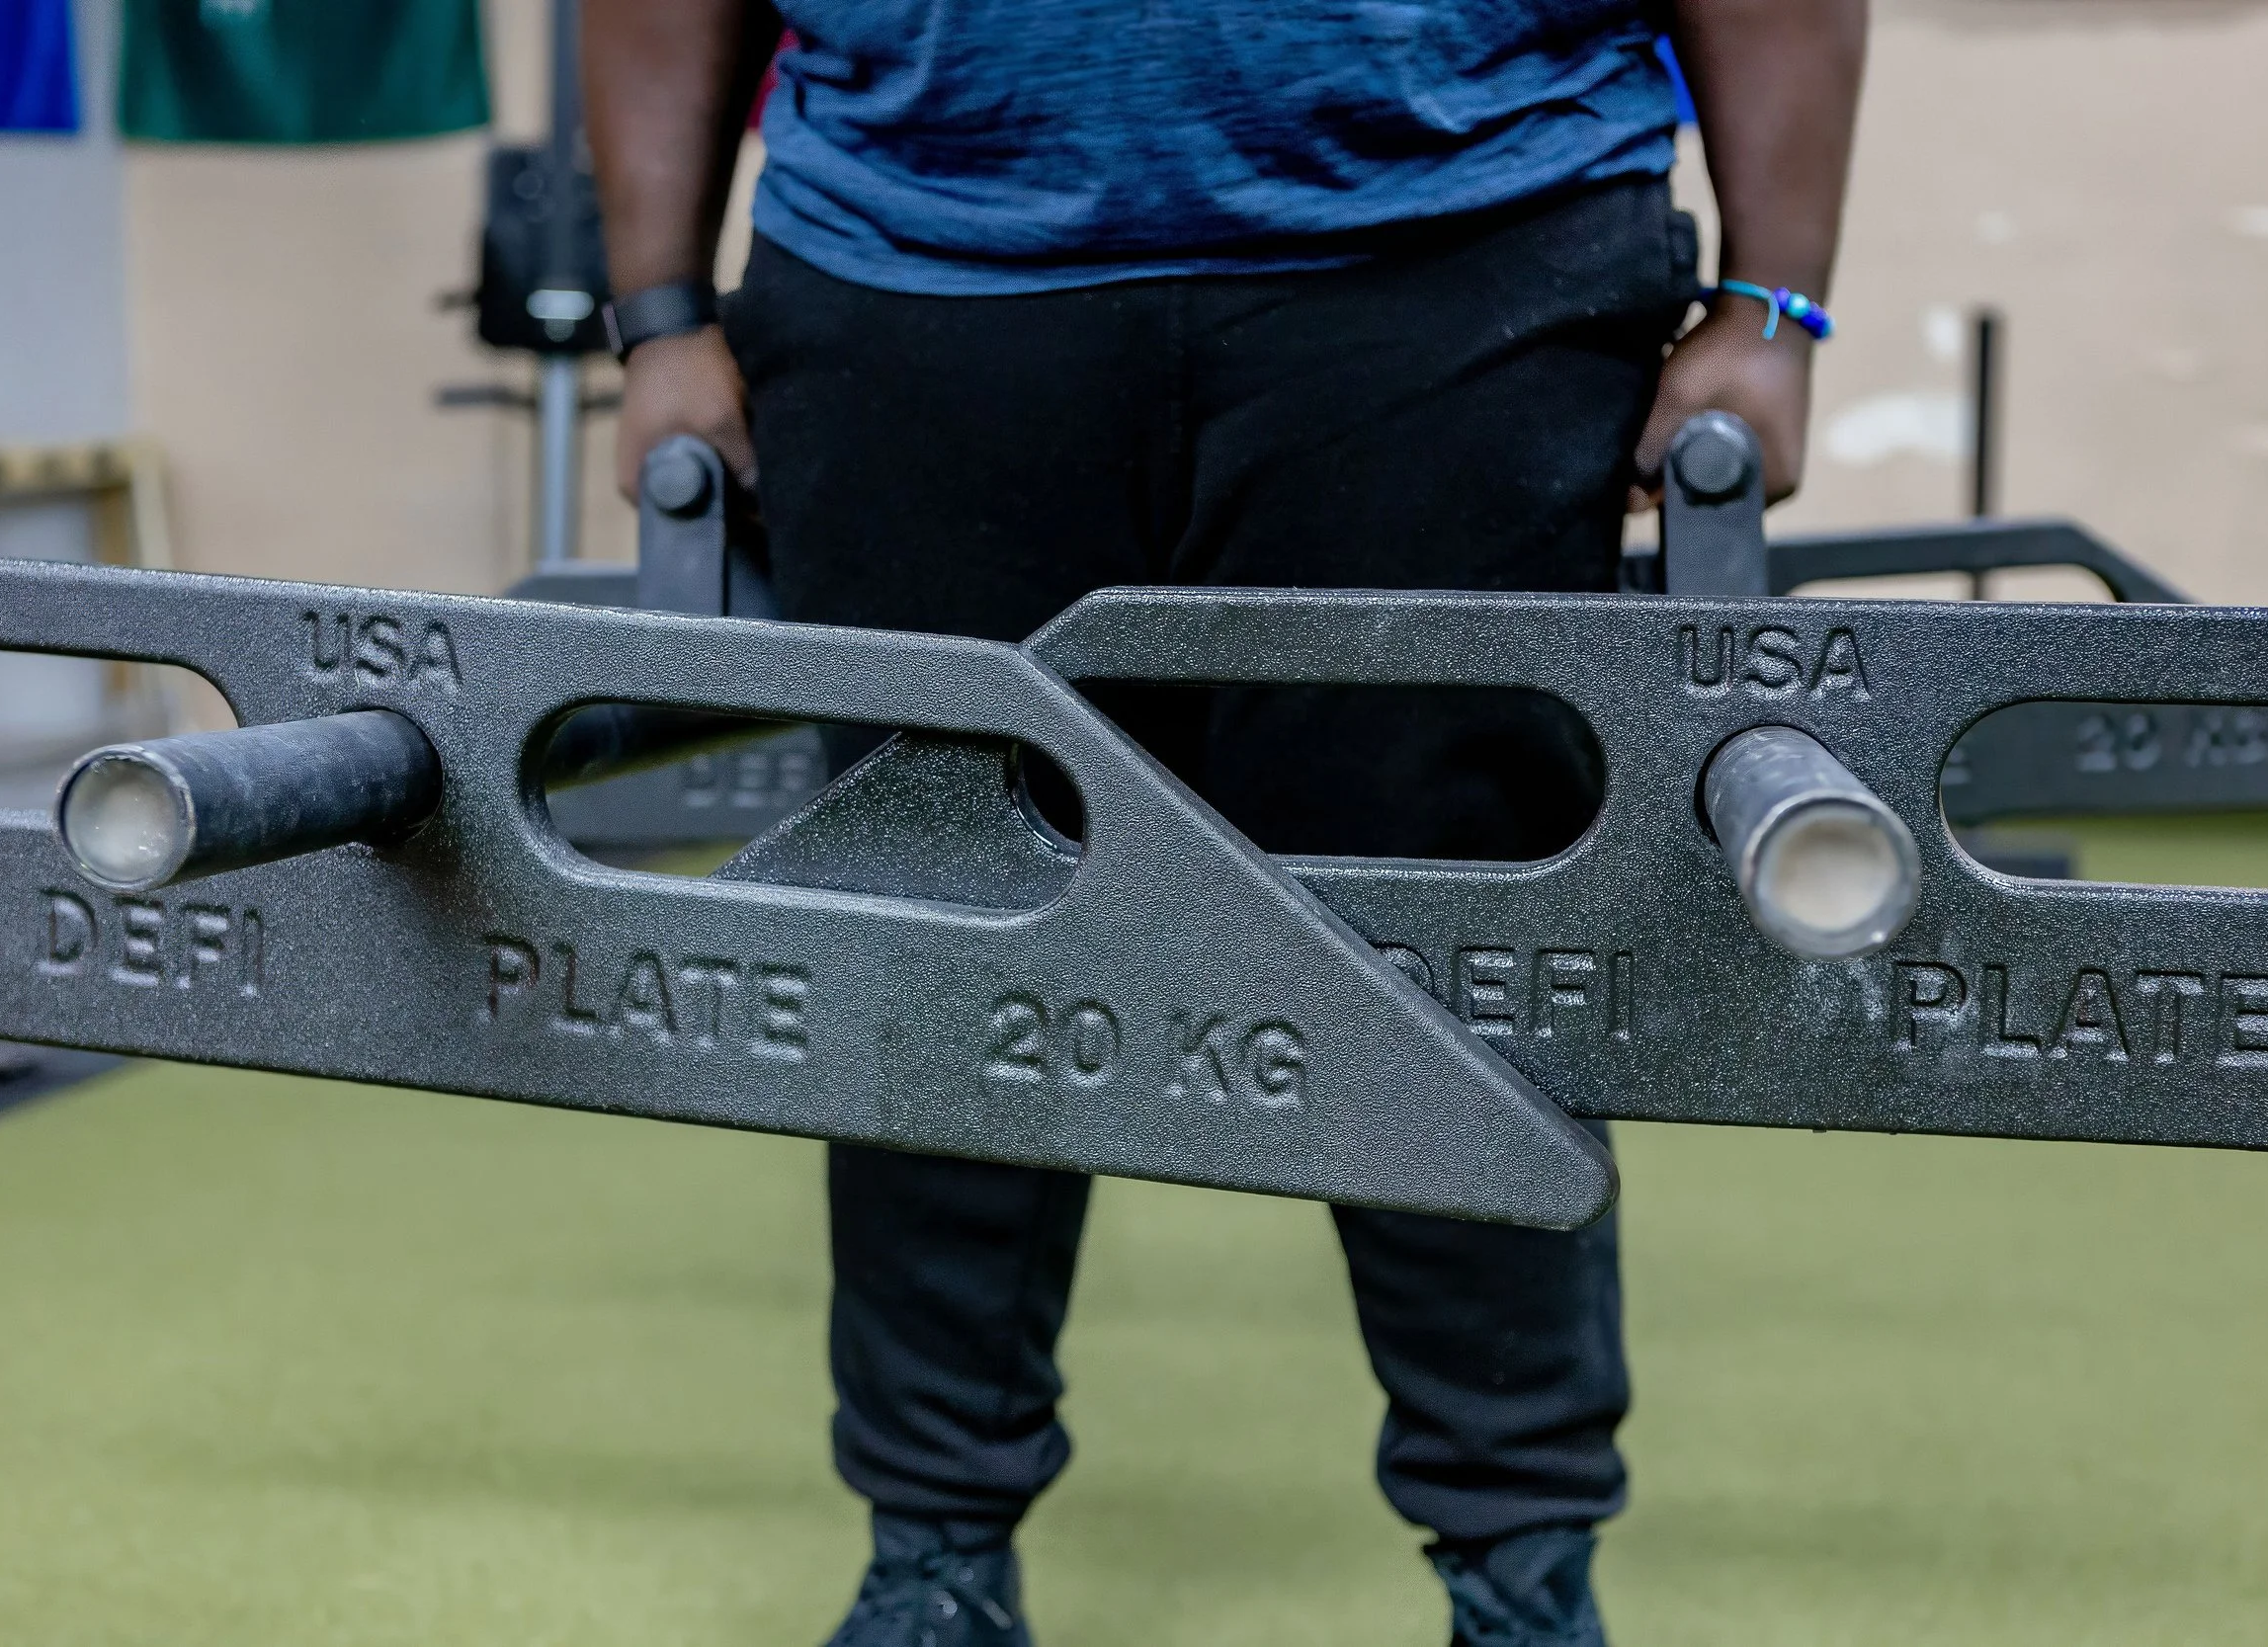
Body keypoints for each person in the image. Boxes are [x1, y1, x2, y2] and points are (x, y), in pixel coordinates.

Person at [582, 1, 1865, 1641]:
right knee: (935, 934)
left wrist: (1777, 299)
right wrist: (662, 315)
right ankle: (934, 1567)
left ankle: (1525, 1579)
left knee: (1453, 954)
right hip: (918, 275)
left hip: (1465, 256)